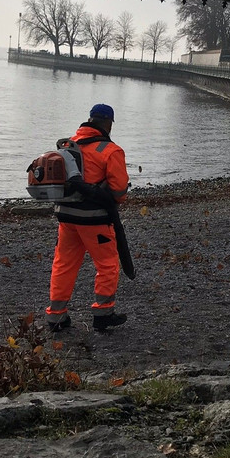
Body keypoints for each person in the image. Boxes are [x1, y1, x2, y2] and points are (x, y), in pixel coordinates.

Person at [45, 104, 130, 333]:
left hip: (66, 217)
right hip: (95, 220)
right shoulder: (111, 151)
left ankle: (56, 316)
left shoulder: (67, 145)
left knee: (64, 264)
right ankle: (103, 314)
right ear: (109, 123)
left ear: (89, 120)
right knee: (107, 265)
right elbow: (119, 191)